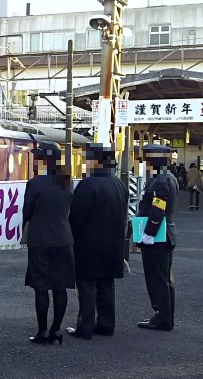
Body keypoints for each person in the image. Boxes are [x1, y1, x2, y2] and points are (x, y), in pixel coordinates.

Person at [66, 144, 129, 339]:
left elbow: (77, 217)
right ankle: (106, 324)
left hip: (89, 245)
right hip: (113, 244)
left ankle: (85, 327)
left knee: (86, 285)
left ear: (96, 161)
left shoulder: (88, 184)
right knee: (106, 284)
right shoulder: (119, 184)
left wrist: (70, 239)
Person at [22, 141, 75, 345]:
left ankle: (42, 331)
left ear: (44, 159)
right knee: (60, 287)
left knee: (41, 287)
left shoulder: (35, 183)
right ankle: (56, 329)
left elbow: (27, 212)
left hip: (40, 240)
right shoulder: (66, 182)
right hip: (63, 239)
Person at [136, 143, 179, 331]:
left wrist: (148, 233)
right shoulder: (169, 177)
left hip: (158, 236)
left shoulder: (160, 180)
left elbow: (157, 209)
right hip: (167, 234)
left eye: (146, 158)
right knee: (165, 279)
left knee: (157, 279)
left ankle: (162, 317)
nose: (144, 162)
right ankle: (166, 316)